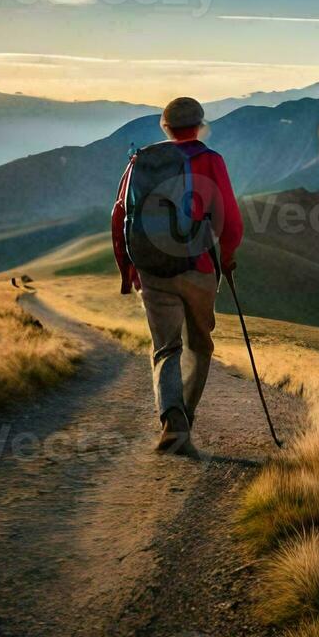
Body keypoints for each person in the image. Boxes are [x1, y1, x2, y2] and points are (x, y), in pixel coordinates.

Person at [111, 97, 243, 457]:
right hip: (198, 268)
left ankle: (172, 422)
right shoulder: (210, 160)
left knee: (166, 348)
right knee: (199, 347)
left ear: (164, 127)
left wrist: (130, 270)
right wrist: (227, 256)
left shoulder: (140, 161)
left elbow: (120, 215)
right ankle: (185, 418)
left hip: (152, 271)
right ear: (200, 125)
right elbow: (229, 217)